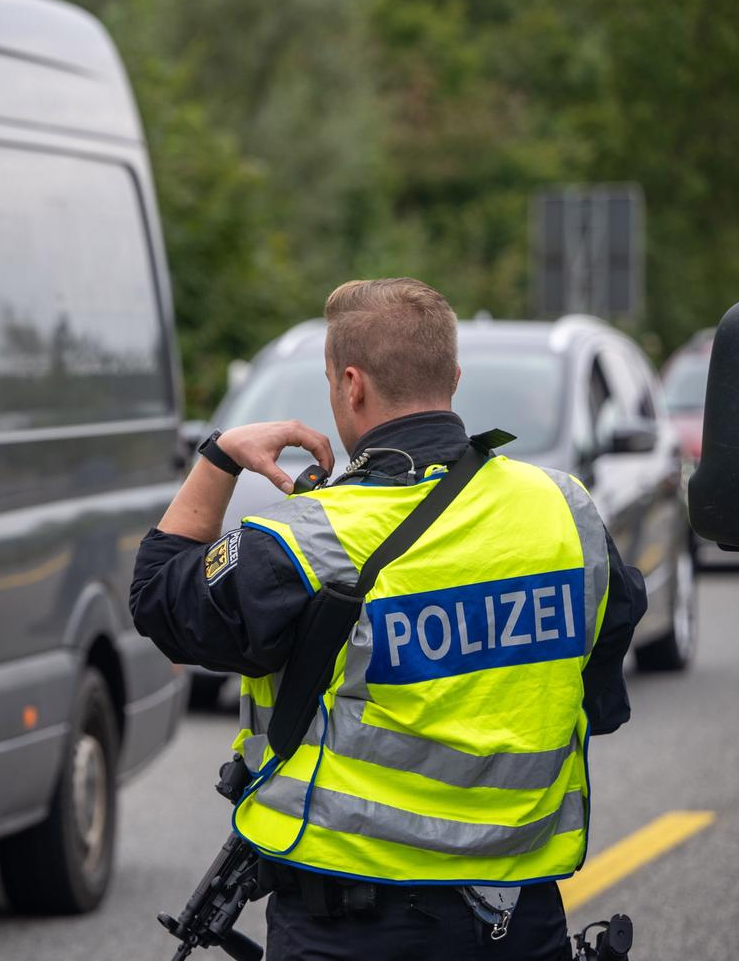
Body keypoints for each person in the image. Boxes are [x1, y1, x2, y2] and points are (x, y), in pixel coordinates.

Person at [131, 278, 646, 959]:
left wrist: (220, 456)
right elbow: (602, 683)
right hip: (520, 918)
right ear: (453, 378)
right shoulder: (564, 510)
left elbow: (160, 599)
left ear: (350, 384)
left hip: (353, 926)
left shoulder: (306, 540)